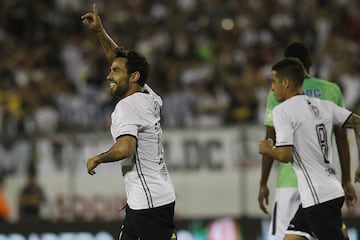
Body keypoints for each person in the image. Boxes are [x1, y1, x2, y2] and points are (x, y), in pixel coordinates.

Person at [81, 4, 177, 240]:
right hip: (149, 199)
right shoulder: (148, 96)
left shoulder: (127, 106)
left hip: (148, 205)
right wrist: (100, 33)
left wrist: (98, 158)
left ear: (133, 77)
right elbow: (119, 57)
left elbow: (125, 148)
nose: (108, 75)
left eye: (115, 71)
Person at [258, 42, 357, 240]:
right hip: (324, 189)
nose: (271, 88)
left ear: (285, 83)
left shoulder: (282, 110)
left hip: (316, 195)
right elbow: (353, 126)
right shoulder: (325, 102)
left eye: (274, 82)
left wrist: (267, 149)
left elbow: (285, 154)